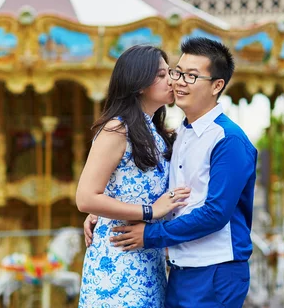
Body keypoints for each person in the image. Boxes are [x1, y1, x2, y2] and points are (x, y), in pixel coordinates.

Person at [86, 37, 258, 307]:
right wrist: (101, 208)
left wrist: (150, 233)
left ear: (217, 85)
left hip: (212, 266)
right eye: (175, 73)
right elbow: (128, 184)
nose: (177, 81)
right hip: (172, 266)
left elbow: (215, 212)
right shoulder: (176, 136)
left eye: (190, 76)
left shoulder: (228, 139)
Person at [75, 45, 191, 308]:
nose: (171, 80)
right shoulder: (117, 129)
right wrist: (149, 211)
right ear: (139, 83)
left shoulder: (156, 133)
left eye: (169, 73)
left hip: (148, 259)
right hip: (117, 260)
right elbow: (85, 197)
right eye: (161, 75)